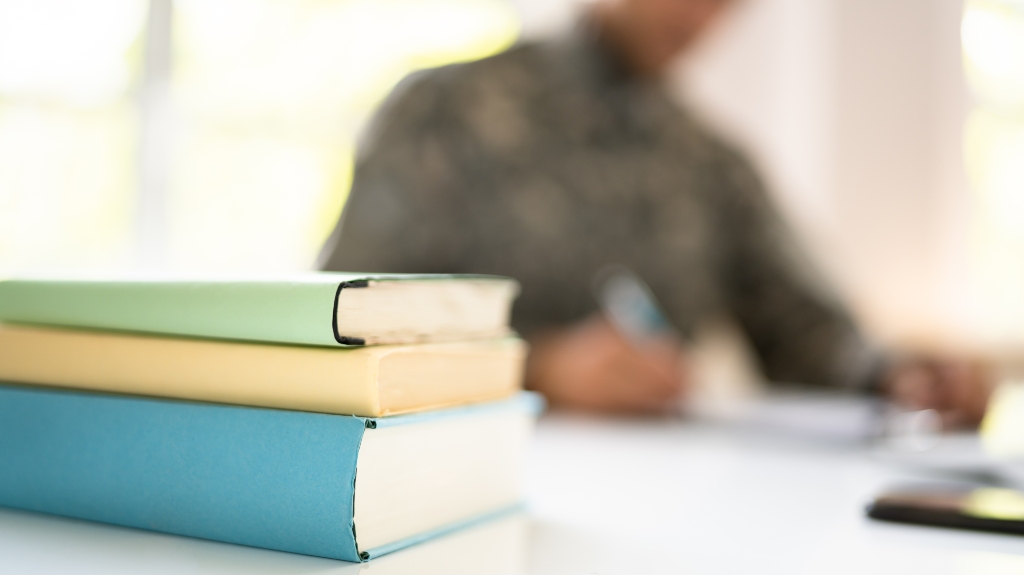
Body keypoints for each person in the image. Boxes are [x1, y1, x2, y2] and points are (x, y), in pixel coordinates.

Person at [319, 0, 991, 425]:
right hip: (452, 492)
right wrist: (539, 368)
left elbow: (804, 328)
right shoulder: (443, 114)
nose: (703, 16)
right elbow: (340, 328)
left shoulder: (713, 163)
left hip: (666, 506)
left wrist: (894, 375)